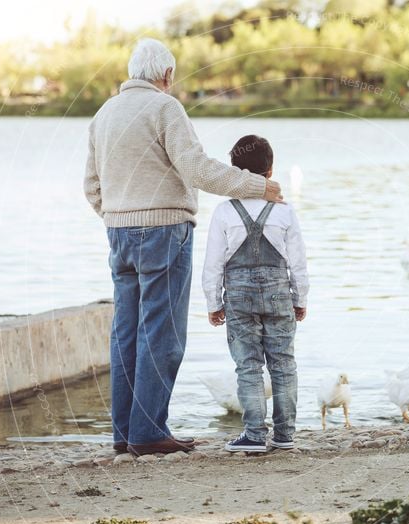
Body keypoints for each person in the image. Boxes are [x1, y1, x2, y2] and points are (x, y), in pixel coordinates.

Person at [83, 39, 283, 456]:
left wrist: (117, 215)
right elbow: (197, 169)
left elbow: (91, 186)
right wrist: (257, 186)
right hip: (164, 230)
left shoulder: (103, 114)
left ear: (133, 70)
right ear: (167, 76)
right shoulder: (164, 108)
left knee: (125, 333)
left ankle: (125, 434)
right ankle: (149, 431)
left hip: (118, 234)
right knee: (162, 332)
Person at [202, 135, 309, 452]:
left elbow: (213, 265)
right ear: (271, 171)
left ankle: (253, 435)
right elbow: (298, 264)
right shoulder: (285, 212)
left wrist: (214, 303)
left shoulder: (224, 212)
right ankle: (285, 434)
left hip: (239, 296)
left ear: (235, 173)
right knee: (284, 363)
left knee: (247, 365)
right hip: (278, 293)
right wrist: (300, 300)